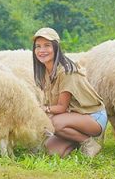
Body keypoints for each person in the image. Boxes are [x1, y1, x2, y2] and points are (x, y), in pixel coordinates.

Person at [32, 27, 107, 157]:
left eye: (47, 45)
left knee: (54, 123)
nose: (41, 50)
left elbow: (61, 107)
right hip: (72, 116)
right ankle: (76, 139)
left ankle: (88, 142)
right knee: (52, 152)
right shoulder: (45, 72)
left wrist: (42, 109)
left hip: (92, 116)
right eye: (38, 46)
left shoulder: (67, 71)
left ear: (56, 47)